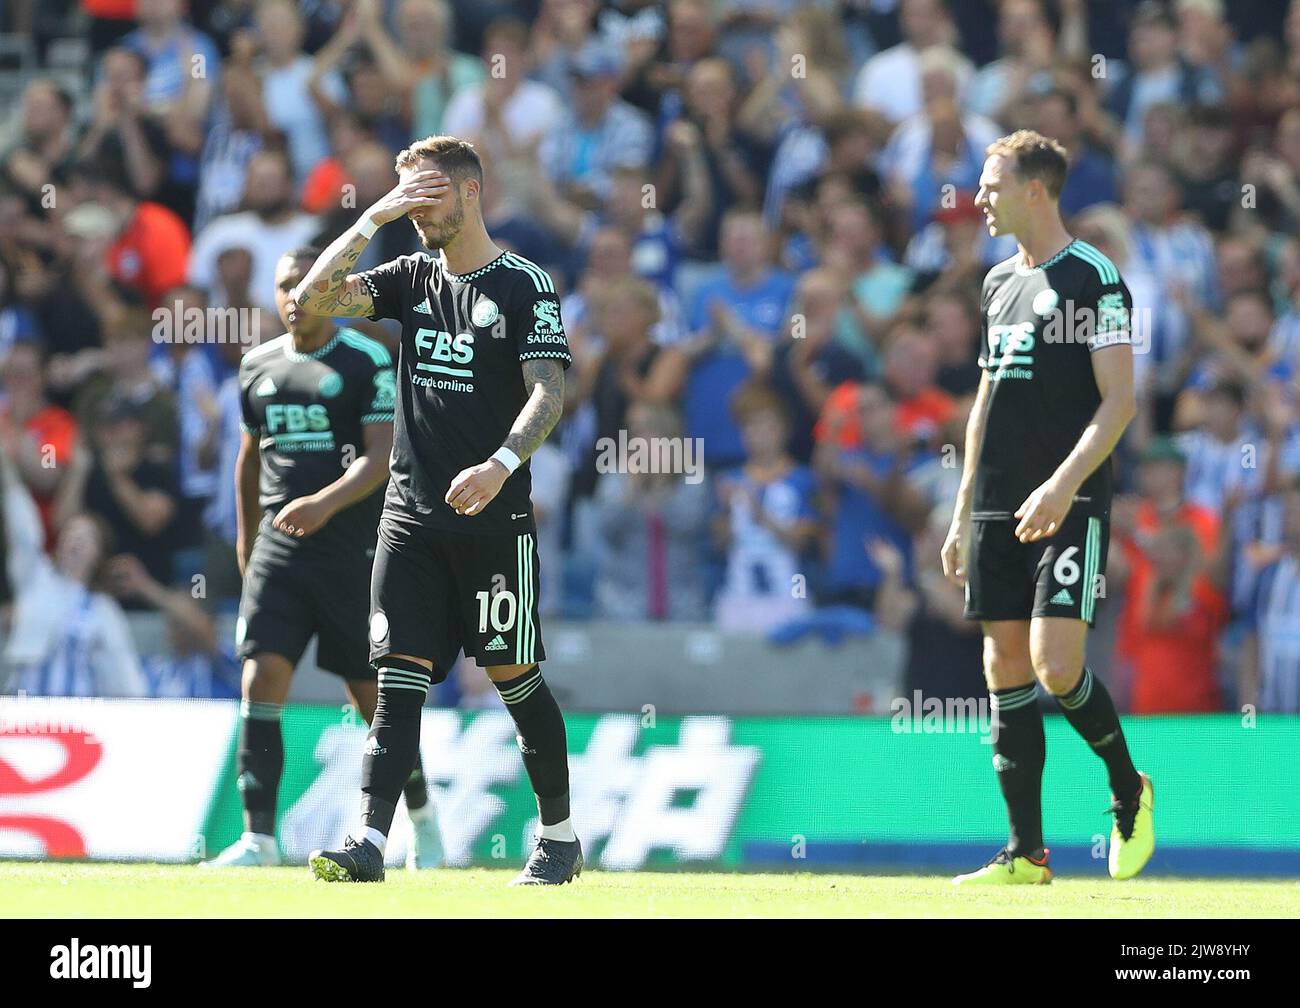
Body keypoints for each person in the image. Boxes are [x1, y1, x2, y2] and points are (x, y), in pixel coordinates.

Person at [292, 136, 581, 885]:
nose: (417, 210)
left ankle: (558, 837)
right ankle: (367, 841)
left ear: (471, 193)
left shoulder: (524, 285)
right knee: (397, 681)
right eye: (406, 196)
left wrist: (501, 462)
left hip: (494, 519)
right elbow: (312, 302)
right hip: (411, 515)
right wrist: (370, 219)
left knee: (517, 680)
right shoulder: (409, 275)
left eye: (429, 195)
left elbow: (549, 389)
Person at [941, 130, 1154, 885]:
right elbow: (985, 397)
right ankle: (1025, 853)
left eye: (993, 182)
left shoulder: (1094, 277)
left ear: (1036, 187)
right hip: (998, 500)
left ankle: (1129, 789)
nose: (980, 195)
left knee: (1057, 666)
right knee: (1003, 667)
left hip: (1069, 500)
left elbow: (1119, 401)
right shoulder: (998, 280)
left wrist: (1062, 484)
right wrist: (964, 503)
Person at [201, 248, 442, 871]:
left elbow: (381, 456)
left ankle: (420, 818)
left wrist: (322, 504)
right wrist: (246, 546)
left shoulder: (365, 360)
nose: (295, 297)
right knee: (261, 679)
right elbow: (249, 459)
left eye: (307, 286)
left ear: (332, 292)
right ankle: (258, 839)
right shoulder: (256, 365)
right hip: (280, 553)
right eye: (285, 286)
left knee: (372, 699)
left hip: (350, 552)